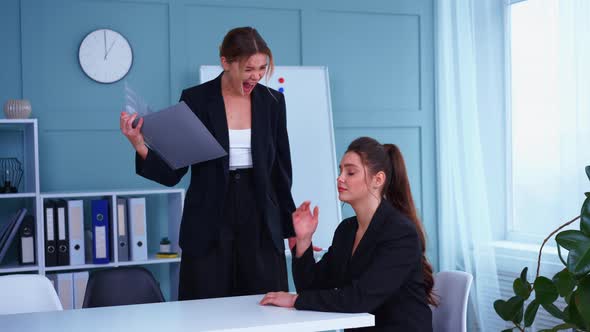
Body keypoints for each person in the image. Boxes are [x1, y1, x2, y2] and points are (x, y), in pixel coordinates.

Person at [119, 27, 296, 300]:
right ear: (226, 62)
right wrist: (139, 145)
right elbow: (173, 171)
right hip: (208, 220)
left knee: (265, 307)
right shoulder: (196, 99)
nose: (257, 76)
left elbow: (281, 171)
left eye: (262, 68)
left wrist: (290, 228)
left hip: (261, 218)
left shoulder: (273, 102)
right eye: (249, 68)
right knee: (203, 309)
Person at [260, 136, 436, 331]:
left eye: (350, 172)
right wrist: (304, 240)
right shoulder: (346, 230)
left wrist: (295, 300)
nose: (340, 178)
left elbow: (358, 299)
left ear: (378, 179)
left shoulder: (401, 234)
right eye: (340, 170)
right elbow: (312, 287)